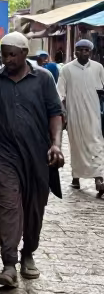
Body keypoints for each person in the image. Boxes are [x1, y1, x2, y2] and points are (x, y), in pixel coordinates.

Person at [0, 32, 64, 289]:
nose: (7, 59)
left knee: (34, 209)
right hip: (3, 154)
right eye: (4, 54)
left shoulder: (43, 79)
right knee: (9, 206)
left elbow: (56, 114)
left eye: (13, 54)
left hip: (37, 154)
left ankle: (28, 253)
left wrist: (56, 144)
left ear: (25, 54)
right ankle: (9, 264)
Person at [57, 39, 104, 195]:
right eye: (80, 50)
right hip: (74, 114)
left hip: (93, 114)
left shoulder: (98, 68)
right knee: (76, 146)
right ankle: (76, 177)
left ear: (90, 52)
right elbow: (60, 94)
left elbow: (102, 89)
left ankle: (99, 177)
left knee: (96, 143)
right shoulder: (67, 70)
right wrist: (63, 114)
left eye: (86, 50)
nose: (83, 53)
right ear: (74, 52)